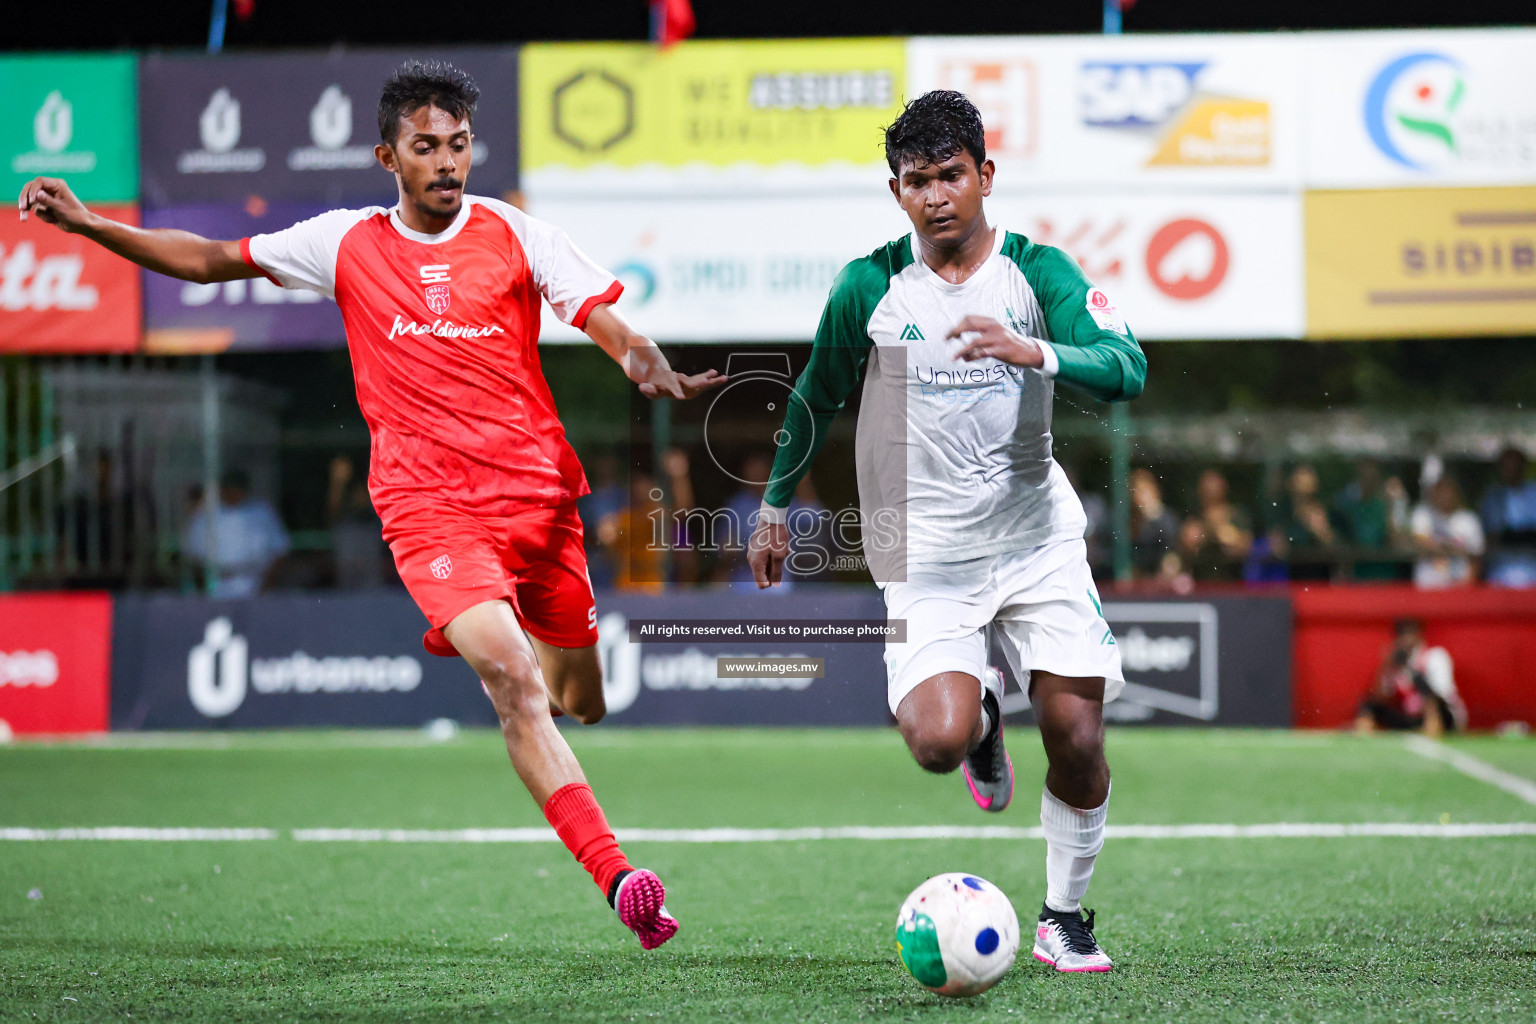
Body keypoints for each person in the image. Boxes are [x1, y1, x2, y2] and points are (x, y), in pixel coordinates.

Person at [20, 60, 726, 949]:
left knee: (578, 697)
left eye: (459, 145)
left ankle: (553, 688)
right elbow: (207, 261)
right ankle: (617, 874)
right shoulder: (345, 242)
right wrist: (89, 223)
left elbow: (600, 314)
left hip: (539, 502)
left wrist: (638, 354)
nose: (446, 163)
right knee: (511, 678)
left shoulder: (512, 232)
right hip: (429, 510)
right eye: (426, 147)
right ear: (387, 154)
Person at [748, 91, 1145, 973]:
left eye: (952, 175)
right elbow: (815, 396)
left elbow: (1127, 367)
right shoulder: (871, 286)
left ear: (985, 177)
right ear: (898, 192)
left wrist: (1032, 350)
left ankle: (1064, 917)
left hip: (1035, 542)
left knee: (1079, 738)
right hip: (924, 557)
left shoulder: (1037, 275)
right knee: (935, 742)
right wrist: (775, 506)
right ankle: (980, 719)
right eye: (917, 181)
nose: (936, 196)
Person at [181, 469, 290, 598]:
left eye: (238, 489)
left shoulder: (262, 511)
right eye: (230, 489)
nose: (234, 494)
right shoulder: (206, 513)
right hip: (217, 583)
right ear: (222, 489)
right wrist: (204, 590)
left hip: (255, 581)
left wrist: (265, 588)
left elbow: (280, 551)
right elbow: (192, 556)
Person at [1354, 619, 1467, 736]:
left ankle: (1433, 727)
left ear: (1419, 636)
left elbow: (1442, 694)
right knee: (1370, 704)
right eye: (1402, 635)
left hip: (1443, 714)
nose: (1407, 640)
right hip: (1412, 716)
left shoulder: (1434, 656)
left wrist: (1412, 673)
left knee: (1420, 680)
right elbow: (1381, 696)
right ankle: (1363, 734)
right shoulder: (1395, 662)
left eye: (1411, 634)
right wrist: (1386, 665)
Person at [1410, 476, 1483, 589]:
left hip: (1459, 584)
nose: (1445, 496)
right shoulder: (1423, 514)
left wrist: (1467, 585)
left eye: (1449, 492)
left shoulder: (1468, 520)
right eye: (1441, 492)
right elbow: (1419, 542)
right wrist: (1450, 547)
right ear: (1434, 494)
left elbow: (1476, 556)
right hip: (1427, 586)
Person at [1480, 446, 1536, 588]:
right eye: (1505, 465)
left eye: (1514, 464)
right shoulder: (1492, 496)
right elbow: (1492, 535)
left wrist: (1517, 536)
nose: (1509, 469)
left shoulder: (1533, 493)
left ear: (1523, 466)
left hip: (1531, 569)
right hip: (1500, 572)